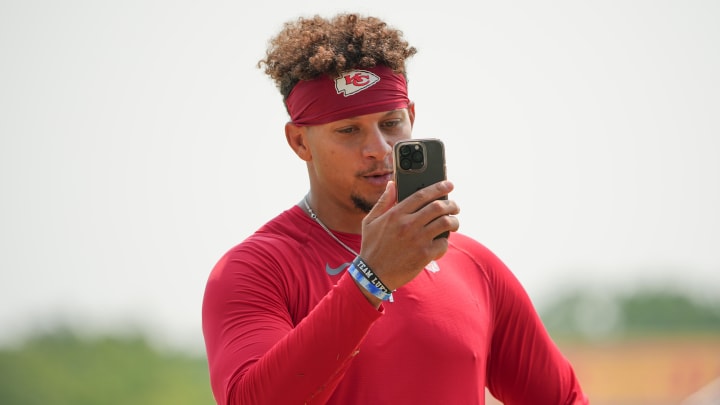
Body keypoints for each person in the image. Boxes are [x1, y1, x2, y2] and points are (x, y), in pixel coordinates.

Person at [202, 12, 589, 405]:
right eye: (348, 130)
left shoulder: (473, 264)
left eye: (390, 124)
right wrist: (370, 278)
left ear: (412, 118)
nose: (379, 149)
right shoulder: (254, 270)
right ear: (300, 142)